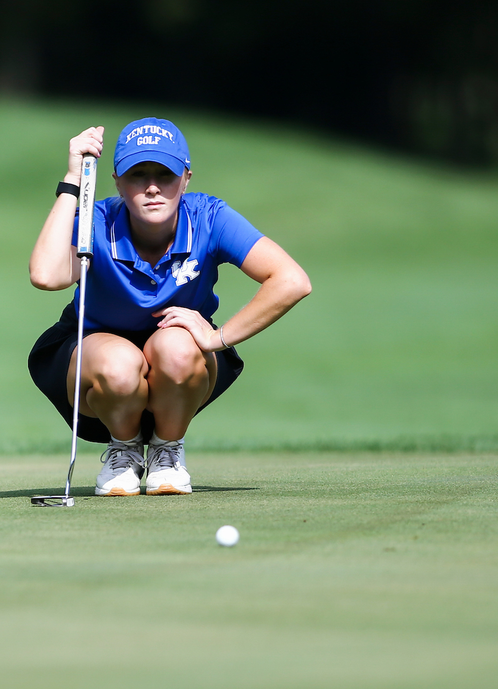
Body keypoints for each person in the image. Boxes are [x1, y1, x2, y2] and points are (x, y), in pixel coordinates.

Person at [28, 118, 311, 495]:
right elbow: (47, 276)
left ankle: (167, 450)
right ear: (116, 181)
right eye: (137, 174)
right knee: (119, 364)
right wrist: (72, 179)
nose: (151, 187)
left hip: (181, 362)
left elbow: (291, 281)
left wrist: (217, 338)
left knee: (177, 349)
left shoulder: (209, 217)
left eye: (165, 174)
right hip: (95, 362)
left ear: (186, 178)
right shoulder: (96, 221)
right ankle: (124, 450)